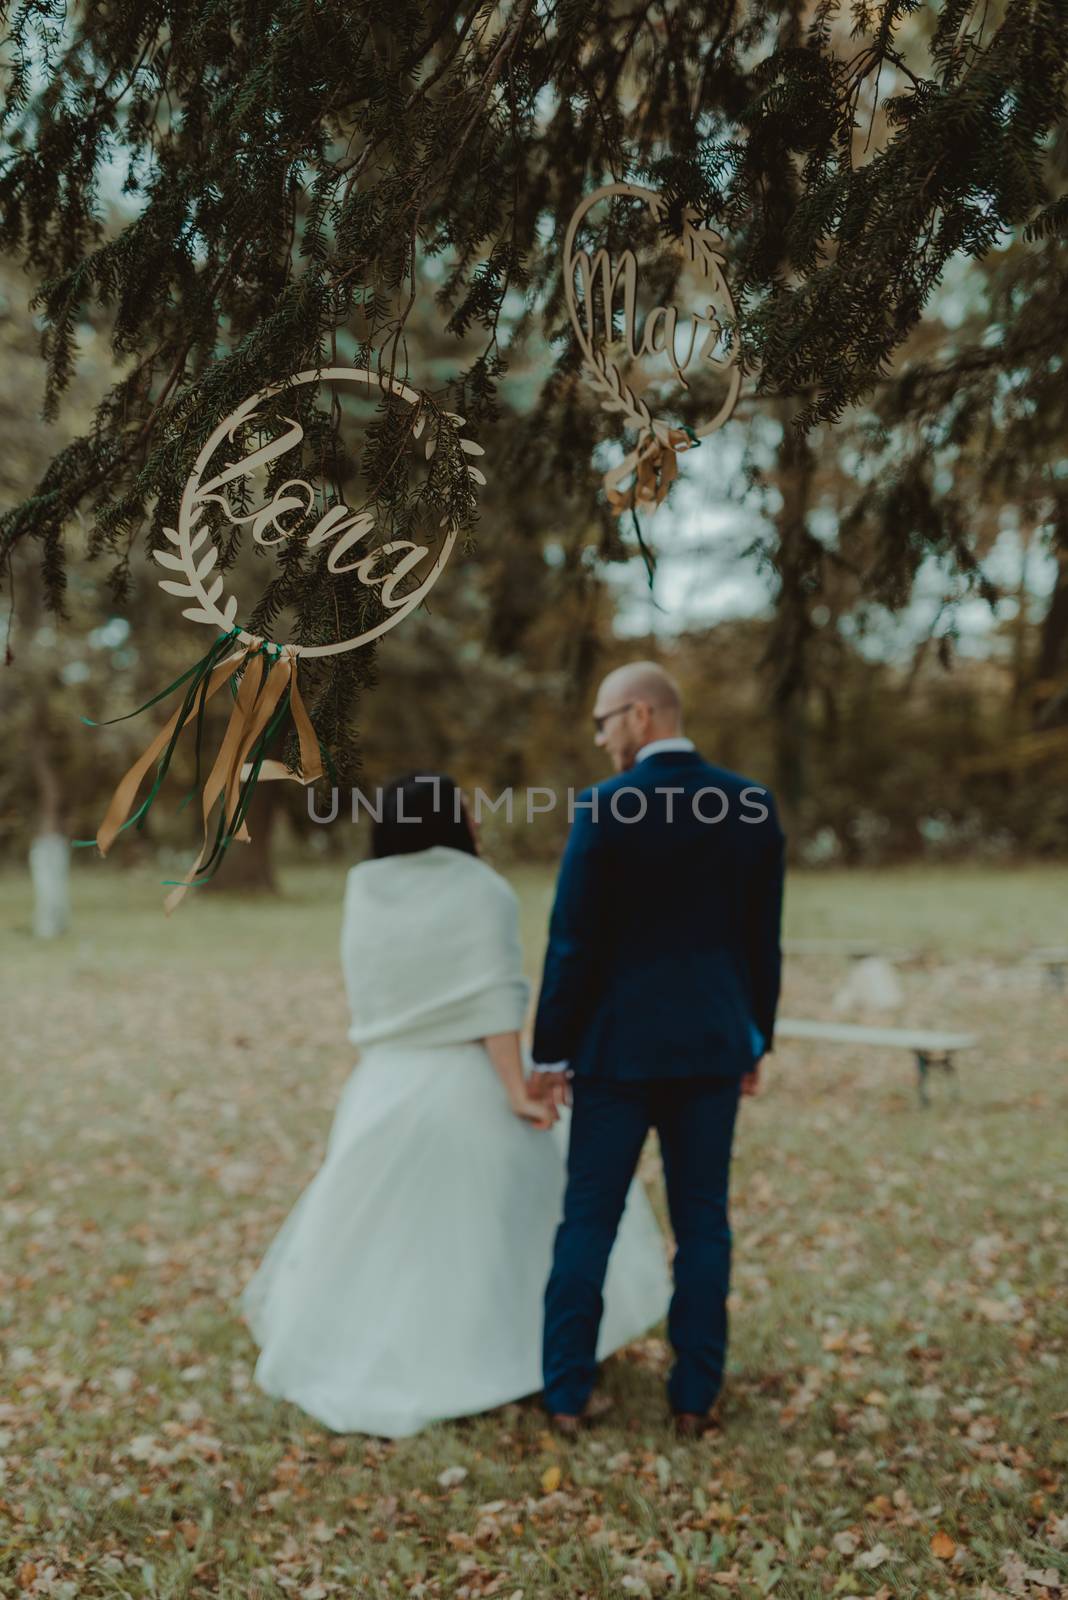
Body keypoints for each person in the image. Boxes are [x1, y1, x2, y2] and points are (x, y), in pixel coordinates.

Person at [240, 772, 670, 1438]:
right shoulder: (480, 889)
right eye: (467, 811)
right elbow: (494, 1002)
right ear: (449, 821)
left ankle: (377, 1351)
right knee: (493, 1233)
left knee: (385, 1238)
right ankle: (504, 1356)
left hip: (383, 1083)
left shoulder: (365, 888)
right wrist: (516, 1091)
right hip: (467, 1084)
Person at [530, 662, 785, 1438]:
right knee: (703, 1224)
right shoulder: (749, 804)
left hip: (614, 1052)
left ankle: (567, 1395)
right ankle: (695, 1398)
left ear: (641, 716)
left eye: (604, 720)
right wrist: (756, 1039)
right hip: (711, 1045)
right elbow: (760, 942)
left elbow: (572, 940)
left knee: (588, 1222)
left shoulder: (604, 808)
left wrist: (550, 1050)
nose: (600, 736)